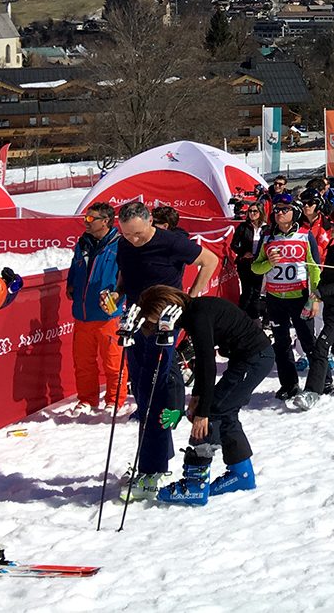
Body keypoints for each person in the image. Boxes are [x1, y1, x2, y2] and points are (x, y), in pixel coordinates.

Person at [113, 201, 219, 500]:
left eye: (137, 235)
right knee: (141, 393)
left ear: (150, 223)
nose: (133, 240)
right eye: (127, 235)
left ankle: (153, 466)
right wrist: (115, 292)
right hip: (134, 320)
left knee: (156, 392)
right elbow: (125, 274)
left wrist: (190, 297)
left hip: (162, 323)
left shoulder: (171, 242)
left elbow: (210, 261)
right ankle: (156, 455)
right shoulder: (124, 244)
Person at [135, 285, 274, 505]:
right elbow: (201, 362)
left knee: (214, 411)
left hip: (256, 358)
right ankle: (242, 474)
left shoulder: (198, 315)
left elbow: (209, 363)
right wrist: (198, 397)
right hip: (249, 358)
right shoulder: (193, 313)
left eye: (154, 320)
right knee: (224, 410)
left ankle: (196, 485)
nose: (159, 328)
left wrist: (203, 412)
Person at [250, 193, 321, 401]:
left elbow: (315, 269)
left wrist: (315, 297)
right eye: (277, 209)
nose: (279, 213)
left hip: (299, 296)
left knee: (308, 341)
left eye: (285, 209)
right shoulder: (267, 237)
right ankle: (289, 385)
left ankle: (320, 380)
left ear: (295, 212)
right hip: (275, 299)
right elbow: (255, 268)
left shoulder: (305, 236)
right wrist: (269, 263)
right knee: (281, 344)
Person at [290, 213, 334, 411]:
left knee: (321, 347)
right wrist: (316, 294)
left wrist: (324, 291)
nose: (332, 228)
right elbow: (328, 276)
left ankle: (312, 392)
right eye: (332, 224)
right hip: (329, 304)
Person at [67, 202, 126, 414]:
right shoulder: (82, 243)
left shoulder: (121, 245)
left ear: (106, 221)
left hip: (108, 316)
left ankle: (115, 401)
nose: (86, 222)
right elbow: (75, 267)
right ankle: (87, 400)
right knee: (83, 363)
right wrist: (71, 286)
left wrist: (118, 299)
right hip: (82, 315)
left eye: (91, 219)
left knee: (113, 363)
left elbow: (127, 278)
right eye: (86, 218)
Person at [230, 203, 267, 321]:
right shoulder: (243, 227)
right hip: (245, 263)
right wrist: (243, 253)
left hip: (260, 263)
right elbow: (234, 245)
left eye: (255, 211)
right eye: (250, 211)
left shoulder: (266, 228)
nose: (252, 214)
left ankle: (254, 317)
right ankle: (241, 316)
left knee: (256, 291)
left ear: (260, 213)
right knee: (247, 290)